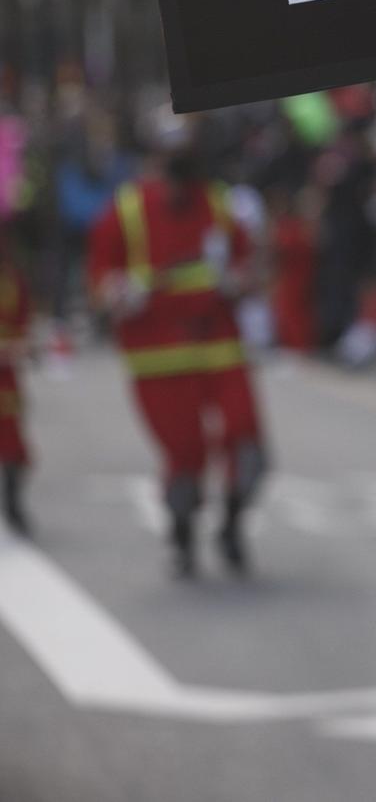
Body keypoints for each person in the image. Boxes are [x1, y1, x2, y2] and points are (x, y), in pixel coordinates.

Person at [86, 119, 268, 578]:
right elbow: (100, 280)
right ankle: (183, 531)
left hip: (218, 346)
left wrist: (239, 281)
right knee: (186, 457)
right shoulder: (125, 211)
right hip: (158, 359)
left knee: (248, 446)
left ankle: (231, 526)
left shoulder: (220, 204)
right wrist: (119, 292)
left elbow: (251, 266)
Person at [0, 230, 32, 535]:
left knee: (12, 443)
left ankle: (13, 503)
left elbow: (23, 322)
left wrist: (21, 345)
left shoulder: (12, 280)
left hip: (6, 378)